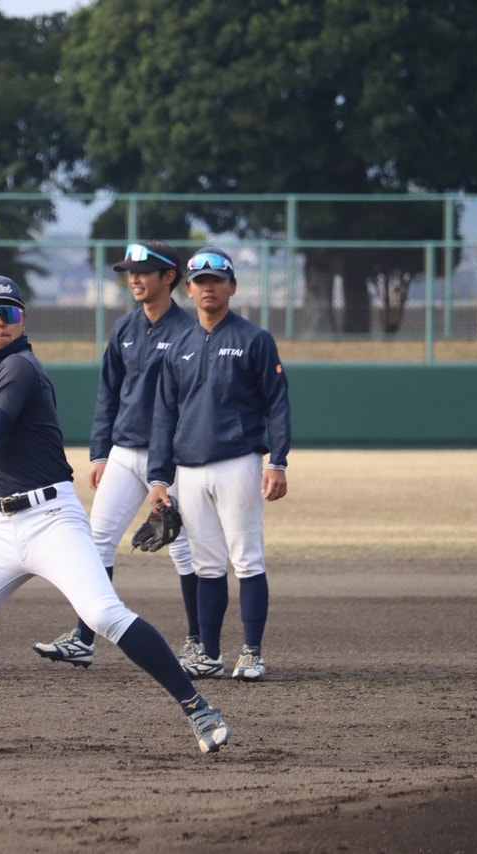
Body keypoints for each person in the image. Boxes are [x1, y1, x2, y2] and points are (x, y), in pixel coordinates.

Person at [0, 275, 231, 754]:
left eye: (10, 314)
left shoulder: (18, 366)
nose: (0, 324)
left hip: (53, 520)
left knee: (103, 613)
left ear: (22, 322)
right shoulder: (2, 376)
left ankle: (200, 708)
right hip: (3, 528)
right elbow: (5, 430)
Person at [34, 240, 201, 668]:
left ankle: (198, 643)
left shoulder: (189, 331)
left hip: (173, 457)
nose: (134, 279)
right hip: (124, 452)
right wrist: (99, 453)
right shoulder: (125, 329)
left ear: (169, 277)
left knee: (182, 549)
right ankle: (82, 639)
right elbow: (108, 394)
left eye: (144, 271)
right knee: (96, 543)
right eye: (130, 271)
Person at [149, 246, 291, 683]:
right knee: (207, 565)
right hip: (189, 471)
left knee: (247, 561)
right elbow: (164, 414)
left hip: (239, 463)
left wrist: (278, 462)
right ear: (188, 289)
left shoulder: (254, 339)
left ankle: (251, 653)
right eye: (200, 281)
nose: (208, 287)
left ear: (232, 286)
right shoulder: (178, 346)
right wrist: (159, 478)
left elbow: (278, 405)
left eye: (217, 280)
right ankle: (209, 653)